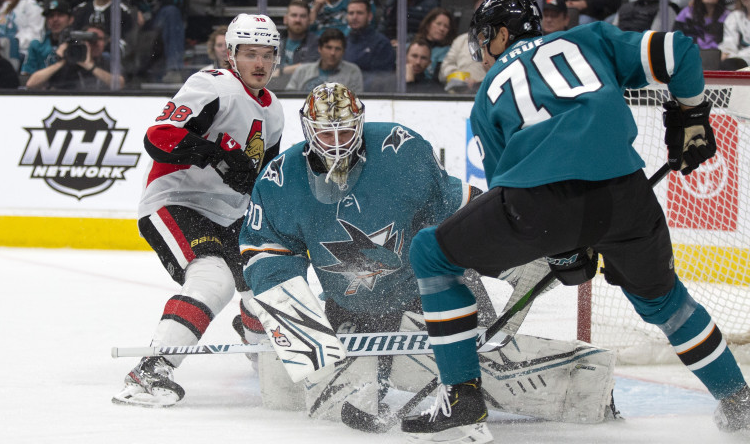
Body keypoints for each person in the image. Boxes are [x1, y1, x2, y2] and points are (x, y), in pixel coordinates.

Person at [402, 0, 750, 441]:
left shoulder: (487, 97)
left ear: (504, 34)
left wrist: (563, 247)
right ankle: (738, 401)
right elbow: (679, 50)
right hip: (625, 195)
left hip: (539, 204)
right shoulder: (590, 38)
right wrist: (692, 116)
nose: (484, 47)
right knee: (665, 303)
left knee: (430, 254)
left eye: (487, 36)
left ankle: (462, 397)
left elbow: (508, 193)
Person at [239, 82, 619, 426]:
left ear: (361, 123)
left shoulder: (399, 150)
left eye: (344, 129)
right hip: (351, 308)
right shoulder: (281, 180)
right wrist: (302, 333)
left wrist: (536, 242)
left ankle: (584, 382)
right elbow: (268, 259)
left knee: (481, 372)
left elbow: (458, 212)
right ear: (308, 129)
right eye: (325, 131)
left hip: (432, 291)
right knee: (331, 404)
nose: (336, 142)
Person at [111, 13, 284, 408]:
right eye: (250, 54)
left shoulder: (274, 110)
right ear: (231, 55)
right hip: (176, 201)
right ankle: (151, 369)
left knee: (265, 279)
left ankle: (259, 345)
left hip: (232, 213)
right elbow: (159, 136)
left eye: (267, 55)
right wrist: (217, 155)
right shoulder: (212, 85)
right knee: (213, 279)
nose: (259, 64)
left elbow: (265, 176)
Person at [24, 23, 125, 90]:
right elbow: (31, 84)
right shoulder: (66, 63)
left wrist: (90, 66)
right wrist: (62, 61)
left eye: (99, 39)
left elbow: (120, 84)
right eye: (90, 40)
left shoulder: (108, 61)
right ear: (82, 41)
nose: (95, 44)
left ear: (105, 42)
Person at [286, 28, 363, 93]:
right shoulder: (302, 71)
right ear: (319, 48)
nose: (333, 53)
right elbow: (289, 99)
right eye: (328, 48)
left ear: (343, 51)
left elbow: (356, 102)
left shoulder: (353, 72)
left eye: (337, 49)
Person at [268, 0, 320, 90]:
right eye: (294, 15)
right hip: (273, 88)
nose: (298, 20)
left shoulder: (316, 42)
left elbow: (309, 66)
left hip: (302, 91)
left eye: (302, 16)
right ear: (285, 19)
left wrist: (281, 71)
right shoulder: (273, 40)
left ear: (309, 20)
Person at [344, 0, 395, 90]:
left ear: (369, 16)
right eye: (351, 13)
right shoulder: (343, 42)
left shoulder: (381, 44)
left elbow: (381, 79)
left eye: (359, 13)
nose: (354, 17)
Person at [439, 0, 487, 94]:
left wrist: (478, 83)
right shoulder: (461, 40)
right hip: (459, 96)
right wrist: (461, 79)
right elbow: (445, 68)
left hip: (487, 95)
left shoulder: (503, 42)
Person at [21, 0, 75, 78]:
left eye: (60, 15)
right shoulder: (37, 45)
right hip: (43, 88)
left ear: (70, 19)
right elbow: (27, 76)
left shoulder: (78, 43)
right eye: (51, 16)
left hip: (73, 87)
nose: (55, 19)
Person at [0, 0, 44, 64]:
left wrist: (14, 43)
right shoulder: (2, 6)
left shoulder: (30, 4)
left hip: (21, 53)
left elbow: (36, 35)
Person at [413, 7, 456, 83]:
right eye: (438, 24)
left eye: (446, 26)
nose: (442, 29)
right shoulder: (413, 46)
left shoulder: (449, 51)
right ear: (428, 24)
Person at [612, 0, 678, 32]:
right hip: (618, 48)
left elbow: (655, 39)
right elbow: (613, 32)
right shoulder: (625, 7)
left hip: (642, 50)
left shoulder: (665, 9)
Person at [718, 0, 750, 69]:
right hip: (737, 61)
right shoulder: (735, 16)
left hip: (744, 58)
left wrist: (737, 56)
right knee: (728, 64)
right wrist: (728, 53)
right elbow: (729, 44)